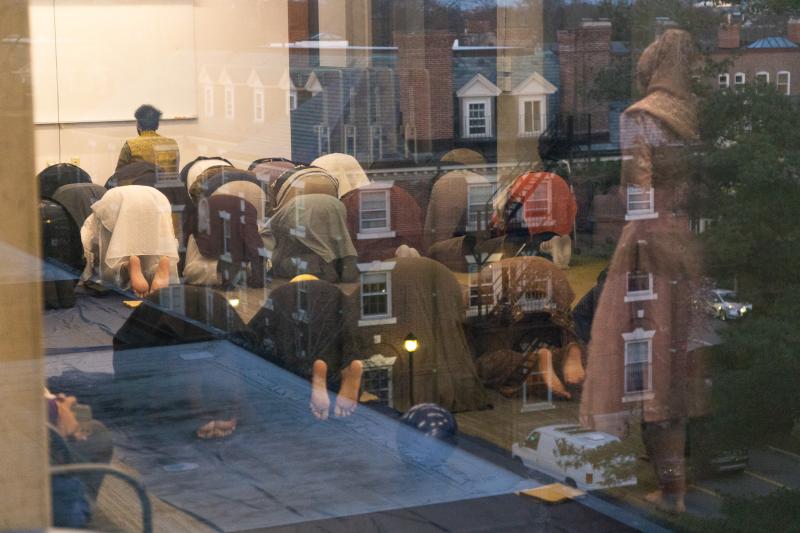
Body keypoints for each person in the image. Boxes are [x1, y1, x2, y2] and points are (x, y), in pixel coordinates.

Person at [579, 29, 704, 514]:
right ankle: (678, 487)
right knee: (678, 367)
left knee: (645, 368)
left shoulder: (641, 116)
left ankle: (670, 491)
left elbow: (639, 192)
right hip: (687, 243)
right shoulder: (693, 116)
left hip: (649, 246)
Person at [80, 185, 179, 296]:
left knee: (111, 259)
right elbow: (169, 238)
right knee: (154, 249)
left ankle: (128, 267)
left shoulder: (94, 214)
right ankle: (158, 268)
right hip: (156, 199)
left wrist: (84, 276)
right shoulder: (154, 194)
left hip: (116, 201)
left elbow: (86, 242)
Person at [115, 104, 180, 174]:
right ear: (157, 125)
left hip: (140, 184)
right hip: (167, 184)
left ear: (138, 125)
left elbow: (119, 175)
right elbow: (174, 173)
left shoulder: (130, 145)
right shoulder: (172, 144)